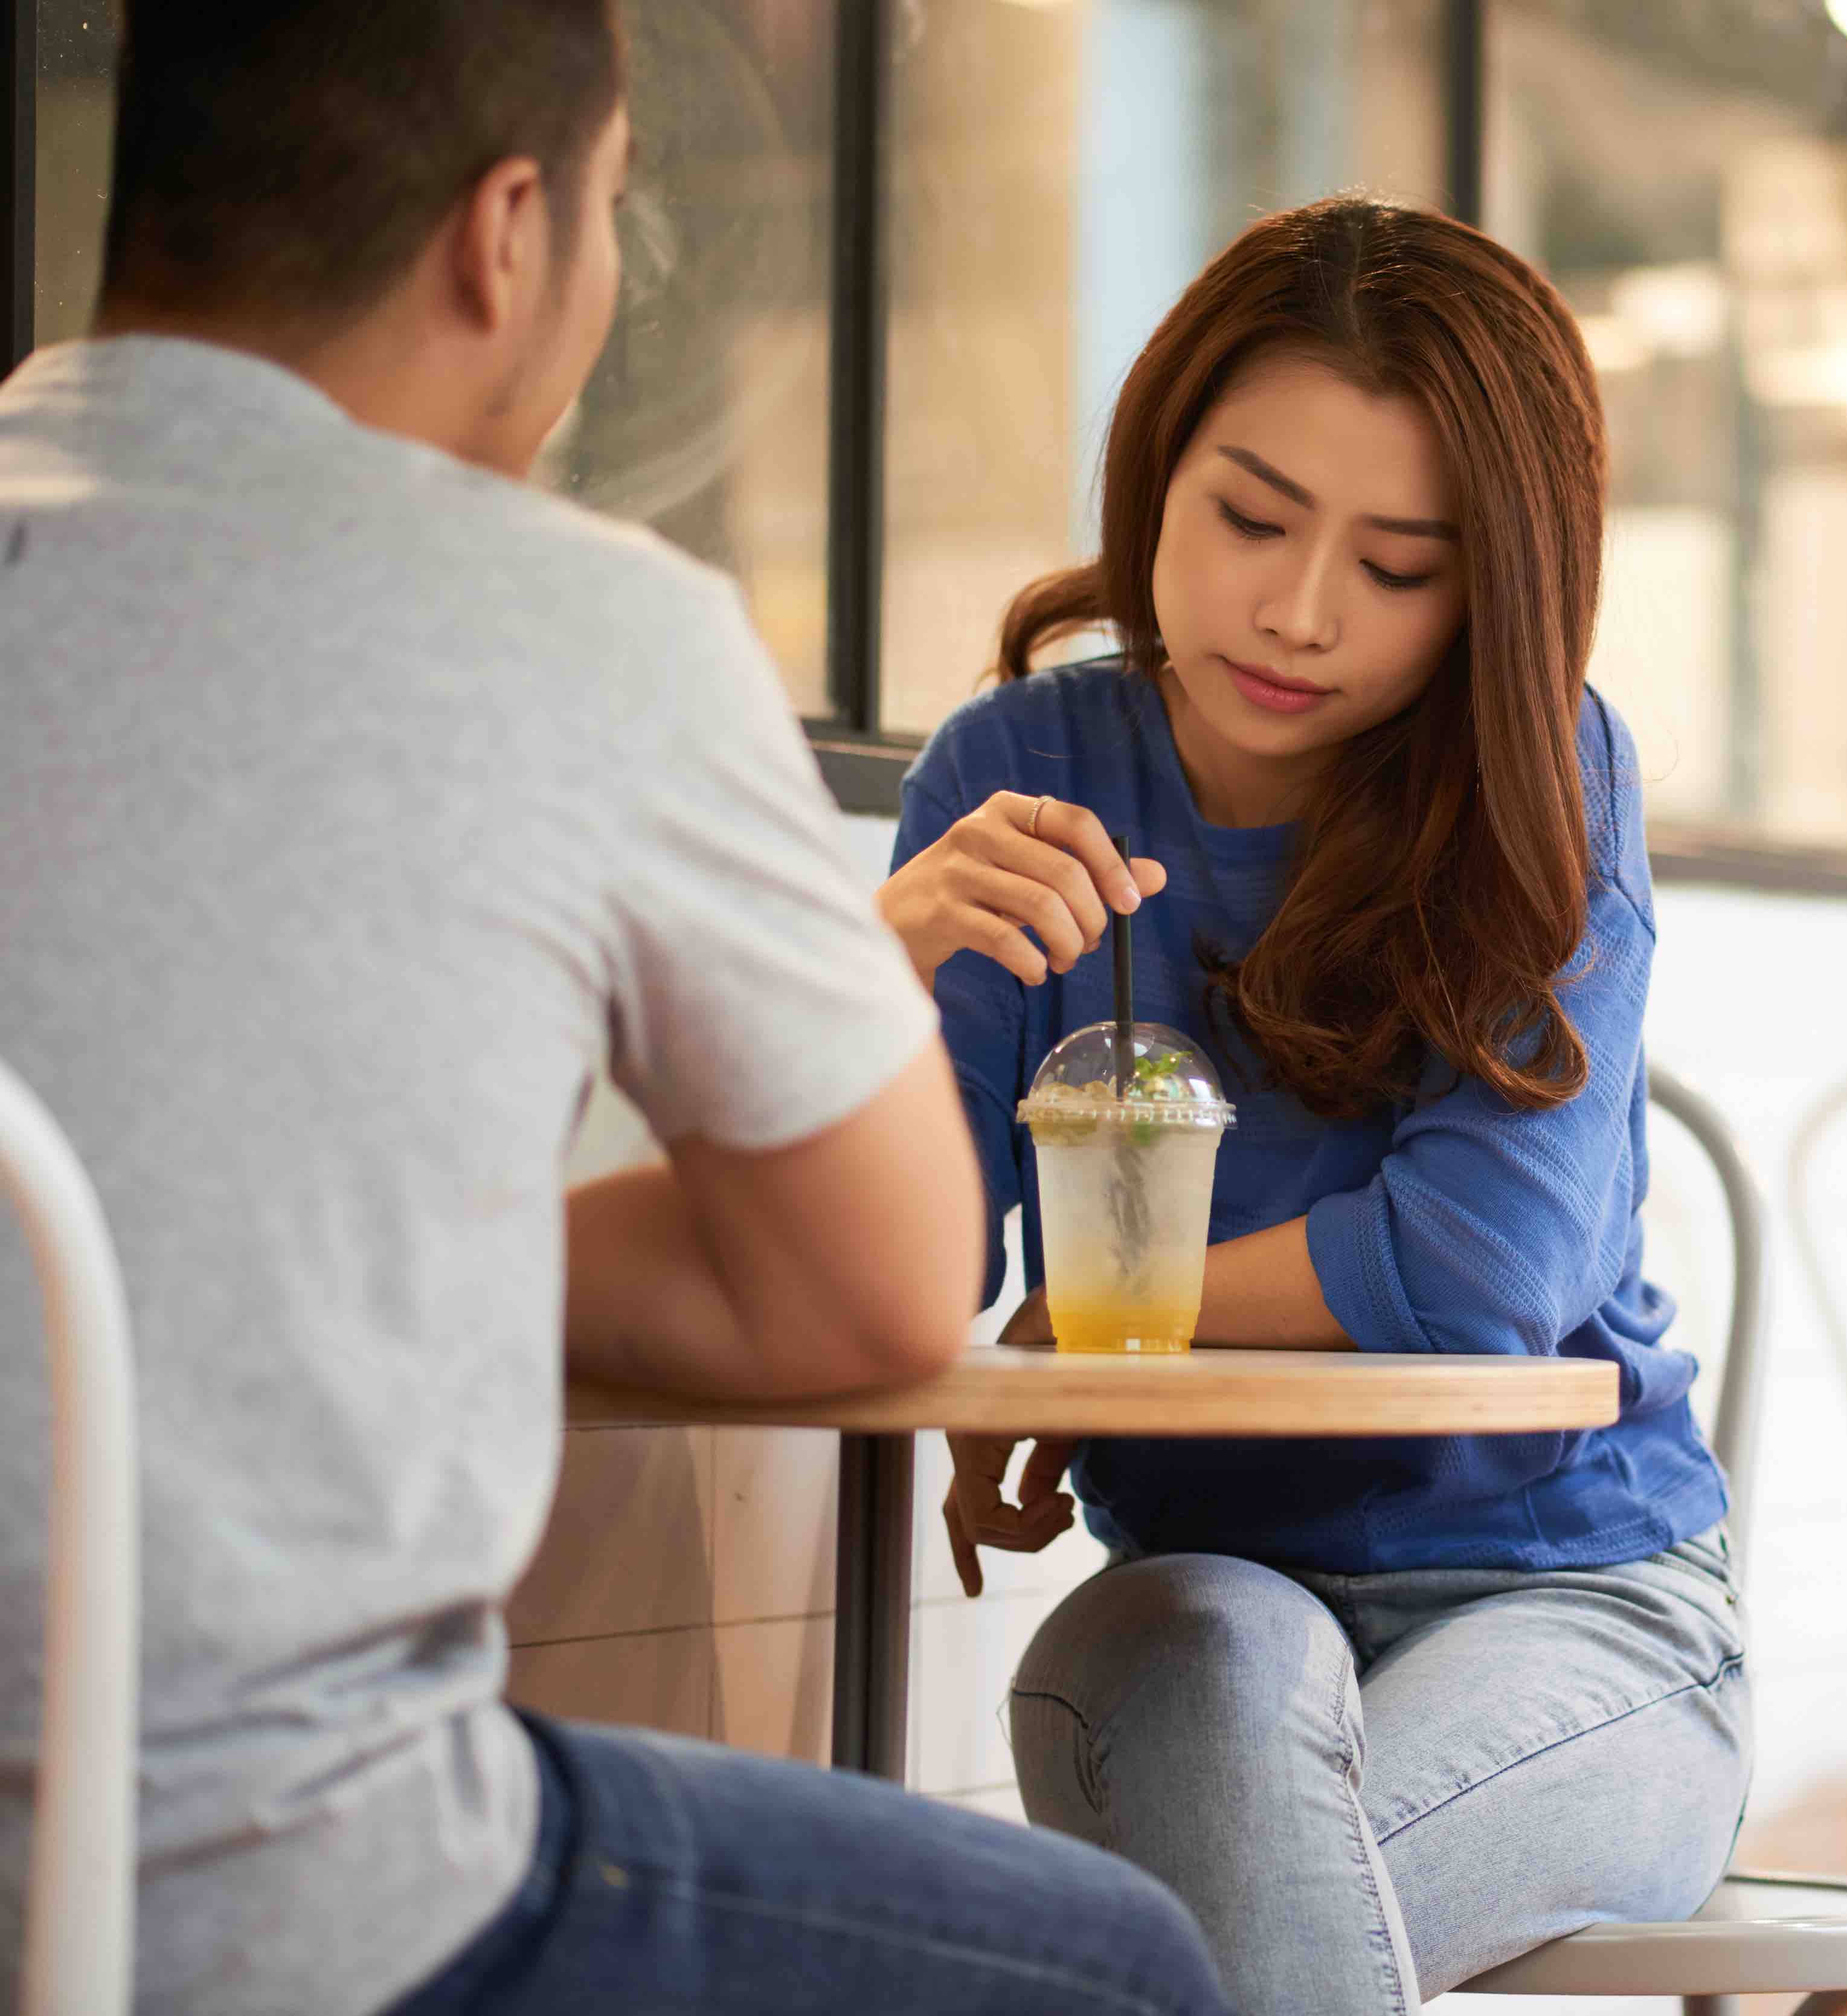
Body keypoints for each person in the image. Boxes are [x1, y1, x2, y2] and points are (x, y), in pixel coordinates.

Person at [0, 5, 1230, 2013]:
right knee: (1129, 1968)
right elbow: (880, 1294)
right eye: (614, 220)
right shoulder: (583, 625)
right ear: (508, 236)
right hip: (271, 1892)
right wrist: (401, 1243)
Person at [892, 198, 1752, 2015]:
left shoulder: (1542, 777)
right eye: (1253, 518)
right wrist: (879, 975)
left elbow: (1478, 1267)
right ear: (1156, 474)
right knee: (1218, 1751)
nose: (1298, 611)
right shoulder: (1018, 776)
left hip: (1578, 1600)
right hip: (1200, 1589)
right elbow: (908, 1259)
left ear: (1496, 584)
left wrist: (1091, 1319)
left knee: (1198, 1948)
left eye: (1400, 563)